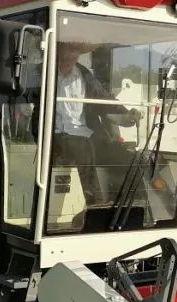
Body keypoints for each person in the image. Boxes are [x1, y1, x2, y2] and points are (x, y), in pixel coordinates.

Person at [52, 39, 140, 203]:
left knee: (126, 157)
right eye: (69, 49)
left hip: (87, 135)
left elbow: (104, 100)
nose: (72, 56)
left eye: (75, 51)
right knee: (82, 147)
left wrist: (127, 115)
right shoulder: (41, 74)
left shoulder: (84, 75)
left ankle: (131, 205)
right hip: (54, 137)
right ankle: (92, 202)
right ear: (56, 50)